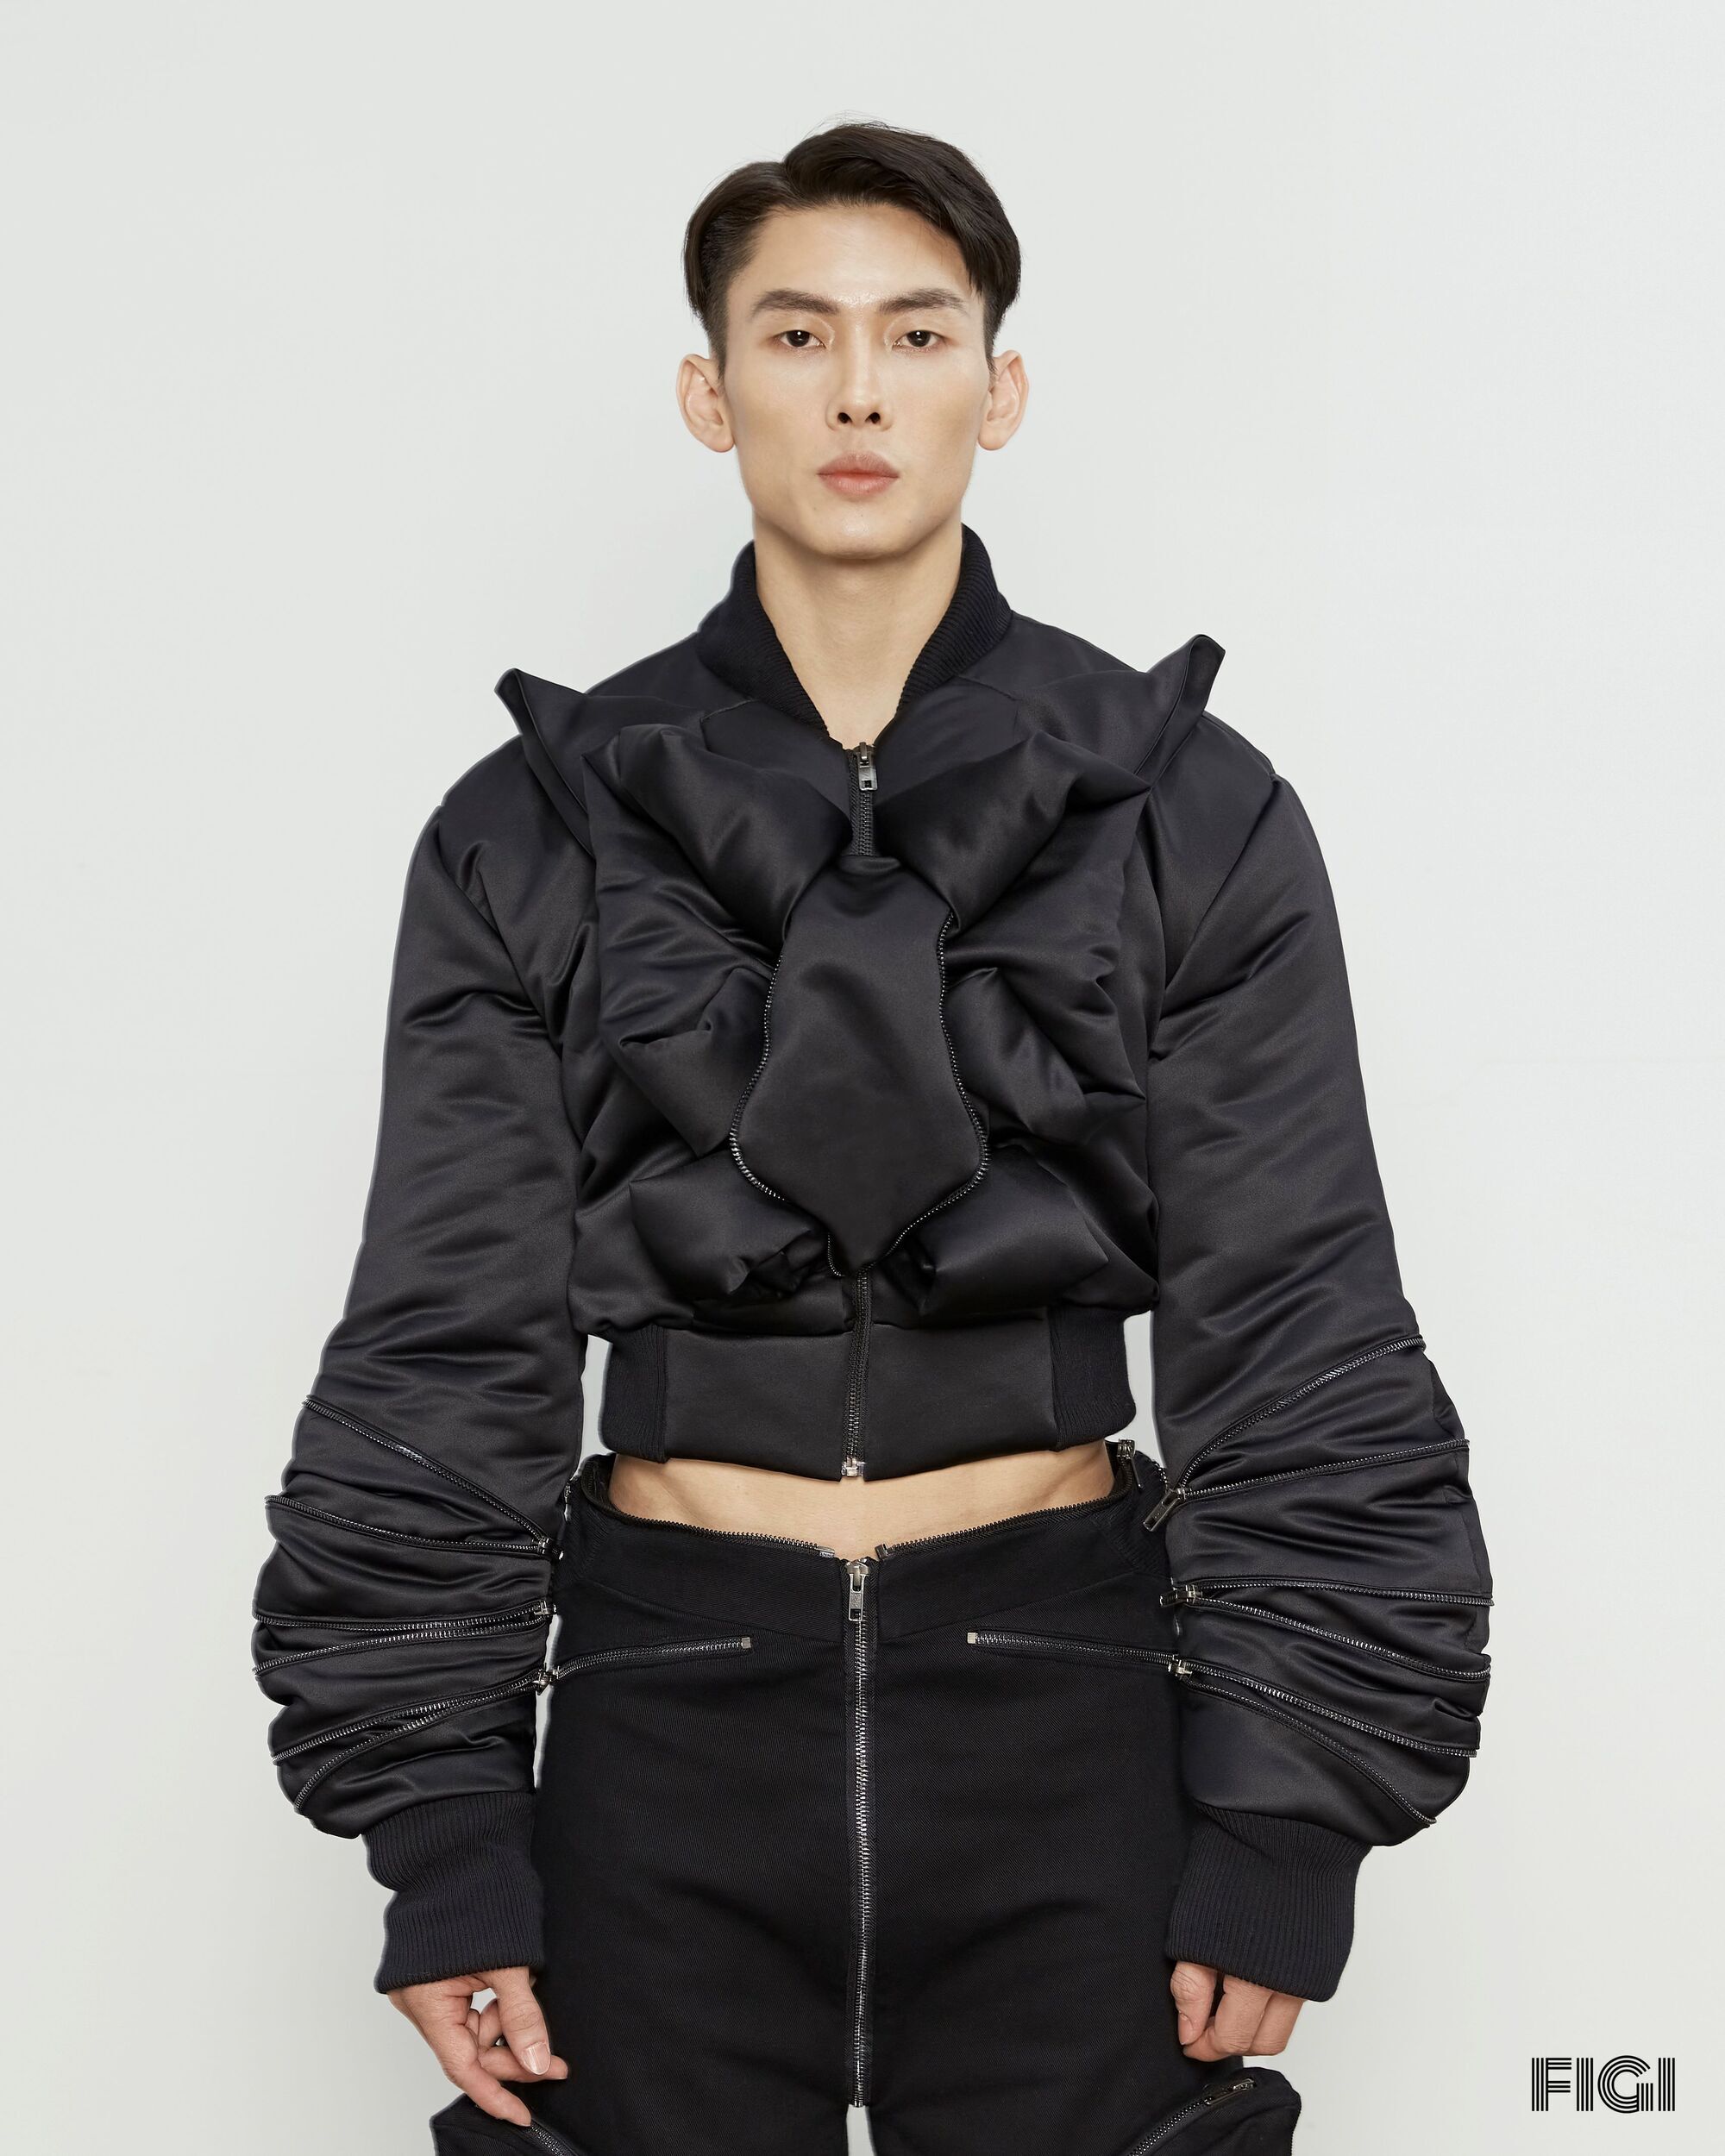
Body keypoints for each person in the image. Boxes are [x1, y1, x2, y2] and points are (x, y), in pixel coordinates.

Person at [252, 121, 1492, 2156]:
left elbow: (1298, 1313)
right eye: (795, 333)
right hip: (660, 1716)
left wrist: (1291, 1816)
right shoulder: (526, 828)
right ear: (707, 388)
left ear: (998, 388)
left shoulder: (1194, 812)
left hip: (1068, 1711)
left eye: (916, 335)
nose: (855, 391)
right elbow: (444, 1333)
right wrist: (441, 1830)